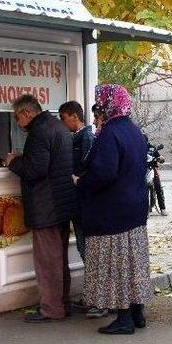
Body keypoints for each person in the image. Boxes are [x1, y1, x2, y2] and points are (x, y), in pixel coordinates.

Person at [74, 84, 151, 335]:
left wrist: (81, 182)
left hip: (112, 212)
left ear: (108, 104)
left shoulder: (109, 134)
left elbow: (103, 173)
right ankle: (137, 313)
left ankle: (124, 319)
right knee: (132, 264)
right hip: (134, 210)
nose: (98, 109)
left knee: (116, 266)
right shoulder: (134, 131)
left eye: (100, 104)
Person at [6, 94, 76, 322]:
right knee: (60, 259)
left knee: (48, 262)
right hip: (62, 205)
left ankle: (51, 309)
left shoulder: (38, 132)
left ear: (27, 113)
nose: (17, 123)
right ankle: (63, 304)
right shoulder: (58, 126)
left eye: (18, 117)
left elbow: (35, 170)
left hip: (46, 206)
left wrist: (14, 162)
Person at [58, 100, 108, 318]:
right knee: (85, 249)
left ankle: (99, 298)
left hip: (84, 204)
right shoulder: (80, 137)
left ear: (72, 116)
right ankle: (94, 295)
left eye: (63, 118)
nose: (62, 123)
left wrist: (78, 181)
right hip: (80, 203)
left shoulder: (86, 138)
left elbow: (89, 171)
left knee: (88, 251)